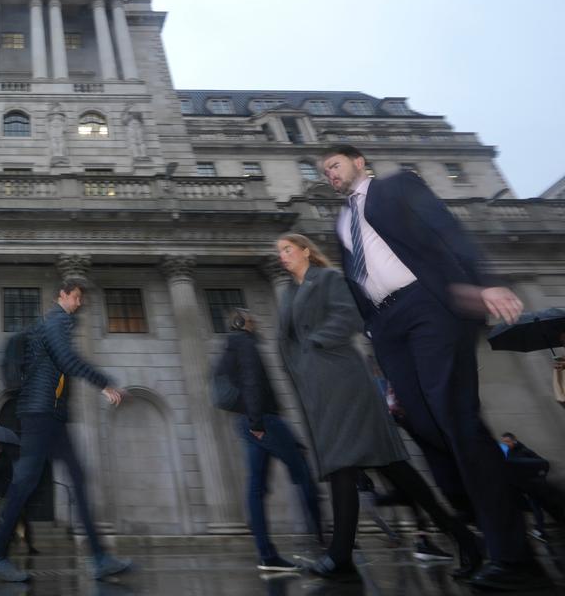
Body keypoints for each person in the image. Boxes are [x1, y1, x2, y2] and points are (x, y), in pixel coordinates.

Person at [322, 144, 550, 590]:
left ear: (359, 161)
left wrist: (484, 284)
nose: (329, 173)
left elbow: (447, 229)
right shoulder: (342, 221)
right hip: (386, 324)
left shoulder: (396, 187)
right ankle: (500, 510)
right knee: (426, 427)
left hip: (427, 305)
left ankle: (514, 558)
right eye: (324, 170)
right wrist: (374, 337)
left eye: (334, 164)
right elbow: (357, 279)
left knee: (455, 419)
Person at [275, 233, 480, 584]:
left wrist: (316, 342)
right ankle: (462, 536)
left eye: (287, 249)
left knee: (345, 462)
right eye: (279, 251)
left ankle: (340, 555)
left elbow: (349, 315)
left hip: (343, 379)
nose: (282, 255)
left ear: (306, 250)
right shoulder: (289, 293)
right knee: (389, 466)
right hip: (317, 386)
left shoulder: (328, 278)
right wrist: (301, 364)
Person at [0, 277, 131, 583]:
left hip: (51, 415)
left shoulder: (58, 324)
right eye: (75, 297)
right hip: (39, 414)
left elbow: (60, 368)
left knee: (76, 478)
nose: (79, 303)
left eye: (81, 299)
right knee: (25, 483)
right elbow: (67, 360)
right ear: (62, 295)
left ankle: (100, 558)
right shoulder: (55, 322)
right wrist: (104, 383)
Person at [214, 308, 320, 571]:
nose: (256, 322)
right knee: (302, 472)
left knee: (256, 487)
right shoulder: (245, 343)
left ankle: (266, 554)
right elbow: (252, 382)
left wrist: (252, 422)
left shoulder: (230, 347)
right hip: (263, 420)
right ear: (242, 322)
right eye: (252, 319)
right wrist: (257, 422)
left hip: (247, 421)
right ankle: (322, 540)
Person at [0, 443, 36, 554]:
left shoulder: (4, 460)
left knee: (1, 517)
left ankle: (9, 539)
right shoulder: (4, 460)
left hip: (6, 495)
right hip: (8, 494)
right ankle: (18, 540)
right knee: (17, 520)